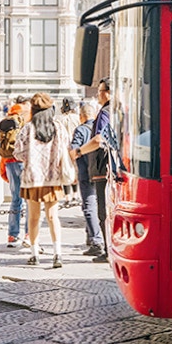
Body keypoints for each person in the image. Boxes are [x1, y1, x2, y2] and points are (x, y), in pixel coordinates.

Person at [14, 94, 77, 268]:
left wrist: (31, 157)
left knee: (33, 218)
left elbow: (17, 153)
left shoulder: (27, 128)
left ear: (33, 110)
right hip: (53, 178)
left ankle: (34, 254)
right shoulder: (58, 127)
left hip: (32, 179)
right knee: (52, 217)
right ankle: (58, 254)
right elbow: (68, 147)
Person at [74, 79, 120, 263]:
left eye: (100, 91)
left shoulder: (105, 112)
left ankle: (108, 251)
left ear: (108, 92)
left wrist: (78, 151)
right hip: (117, 168)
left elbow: (99, 138)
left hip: (103, 168)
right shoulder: (120, 110)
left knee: (103, 212)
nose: (98, 94)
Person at [70, 99, 105, 256]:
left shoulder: (80, 130)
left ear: (81, 116)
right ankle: (95, 237)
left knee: (89, 206)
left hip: (85, 173)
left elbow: (73, 151)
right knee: (101, 206)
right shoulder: (100, 128)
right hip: (101, 172)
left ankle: (96, 240)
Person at [1, 97, 31, 248]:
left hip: (10, 162)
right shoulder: (28, 115)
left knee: (15, 199)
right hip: (25, 161)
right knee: (29, 199)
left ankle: (12, 235)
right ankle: (29, 234)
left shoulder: (9, 117)